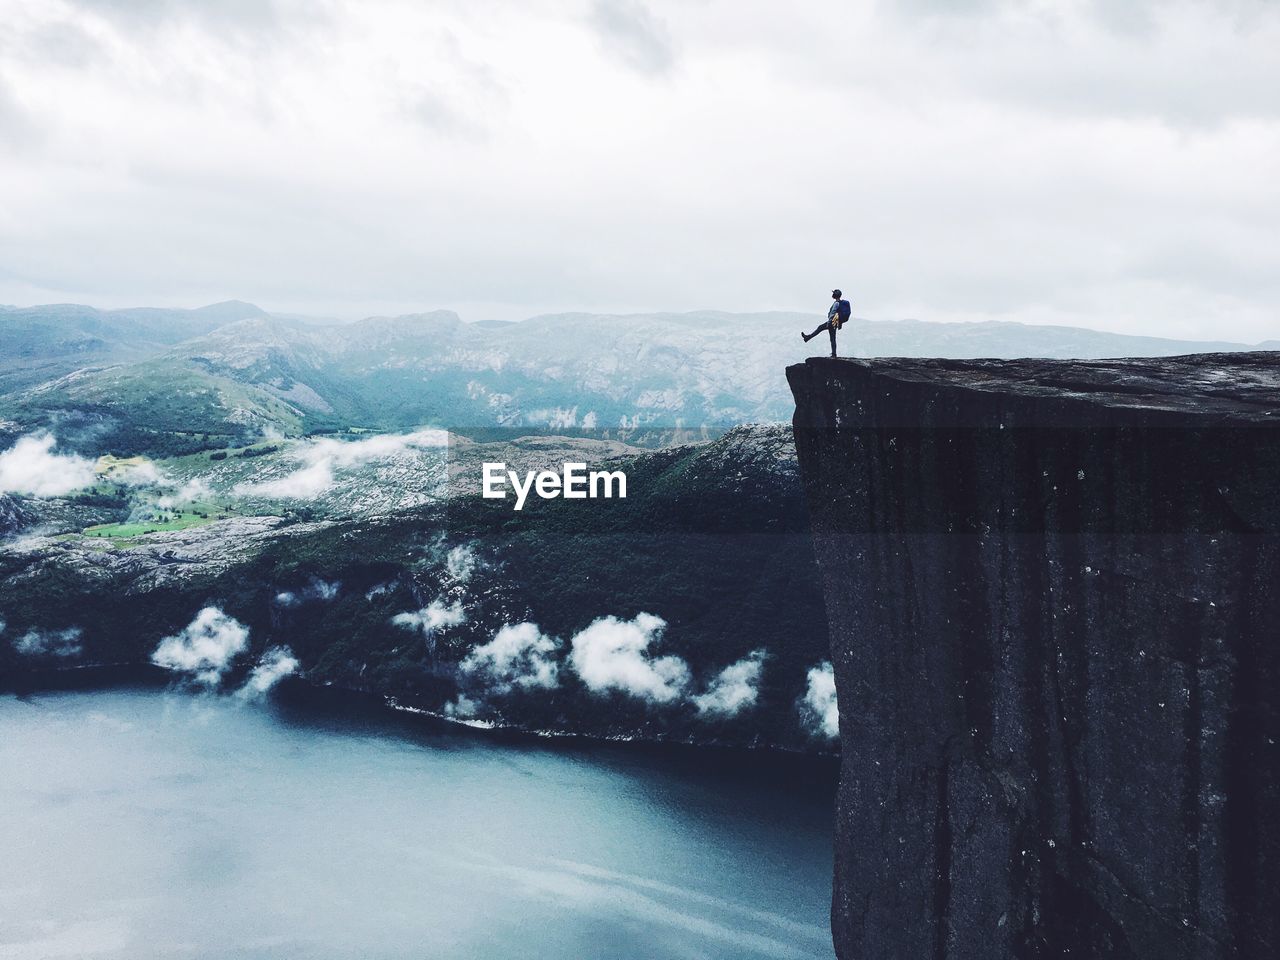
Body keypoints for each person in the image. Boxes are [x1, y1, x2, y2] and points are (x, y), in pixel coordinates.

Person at [802, 289, 851, 358]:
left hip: (832, 322)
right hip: (836, 323)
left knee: (820, 328)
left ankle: (808, 337)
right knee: (832, 338)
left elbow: (832, 313)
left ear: (834, 295)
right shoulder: (840, 303)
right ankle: (834, 354)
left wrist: (829, 322)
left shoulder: (836, 303)